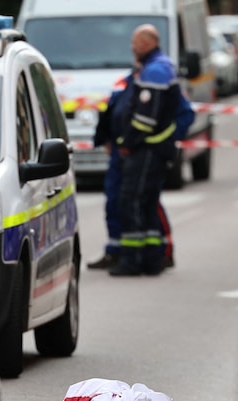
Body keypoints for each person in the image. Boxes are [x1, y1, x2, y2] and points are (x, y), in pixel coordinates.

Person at [88, 64, 194, 271]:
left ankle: (158, 253)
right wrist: (105, 138)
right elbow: (112, 111)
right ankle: (117, 250)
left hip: (144, 151)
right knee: (117, 202)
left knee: (144, 202)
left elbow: (183, 115)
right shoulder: (125, 83)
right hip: (122, 151)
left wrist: (167, 141)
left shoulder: (158, 82)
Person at [108, 24, 182, 276]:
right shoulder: (155, 67)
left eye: (136, 43)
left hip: (147, 149)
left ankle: (133, 260)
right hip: (152, 148)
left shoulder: (156, 70)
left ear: (148, 43)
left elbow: (145, 119)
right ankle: (151, 259)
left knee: (132, 202)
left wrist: (127, 143)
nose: (132, 47)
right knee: (147, 204)